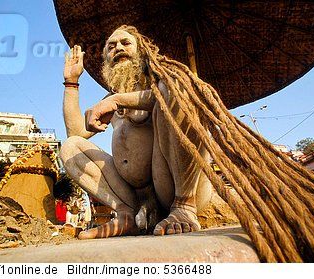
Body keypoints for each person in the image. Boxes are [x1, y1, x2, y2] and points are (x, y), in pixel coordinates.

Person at [60, 25, 212, 239]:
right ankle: (126, 215)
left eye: (125, 43)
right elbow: (75, 132)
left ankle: (184, 208)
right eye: (111, 47)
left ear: (141, 52)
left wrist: (116, 100)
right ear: (106, 61)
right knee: (70, 148)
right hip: (137, 198)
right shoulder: (109, 101)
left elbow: (167, 94)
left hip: (172, 189)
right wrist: (71, 82)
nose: (118, 48)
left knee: (176, 88)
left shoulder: (161, 81)